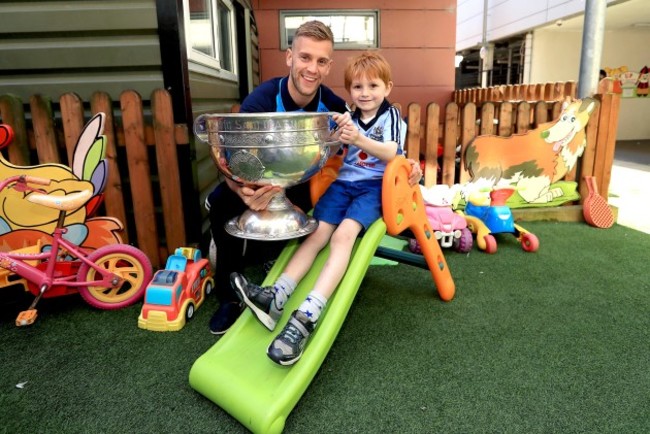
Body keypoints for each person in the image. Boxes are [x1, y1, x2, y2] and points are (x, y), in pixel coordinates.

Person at [207, 21, 422, 335]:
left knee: (310, 217)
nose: (312, 68)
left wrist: (408, 162)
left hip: (297, 184)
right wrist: (242, 190)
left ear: (328, 66)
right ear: (289, 57)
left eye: (321, 61)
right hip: (255, 180)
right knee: (224, 204)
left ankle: (273, 266)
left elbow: (377, 137)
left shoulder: (334, 106)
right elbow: (233, 155)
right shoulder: (263, 100)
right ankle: (229, 297)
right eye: (305, 57)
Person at [231, 51, 406, 366]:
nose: (365, 93)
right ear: (350, 91)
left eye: (373, 86)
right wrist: (335, 138)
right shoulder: (348, 115)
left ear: (388, 88)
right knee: (315, 234)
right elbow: (337, 147)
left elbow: (392, 152)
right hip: (343, 185)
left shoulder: (391, 116)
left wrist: (359, 138)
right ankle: (277, 296)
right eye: (357, 87)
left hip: (373, 189)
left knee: (343, 237)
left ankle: (307, 315)